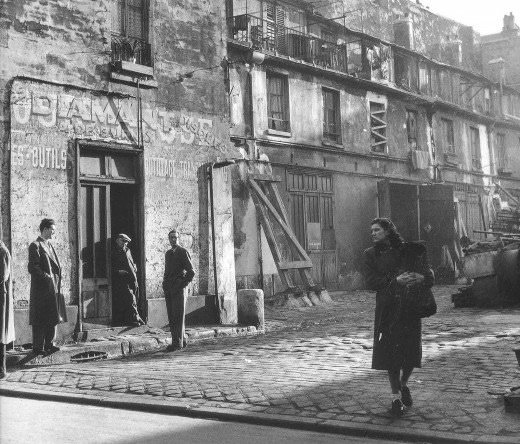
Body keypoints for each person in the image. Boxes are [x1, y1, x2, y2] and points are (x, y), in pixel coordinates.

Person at [362, 218, 434, 416]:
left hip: (410, 307)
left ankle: (403, 384)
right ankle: (395, 398)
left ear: (388, 231)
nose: (373, 233)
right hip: (387, 309)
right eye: (372, 230)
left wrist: (424, 278)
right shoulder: (370, 255)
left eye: (377, 229)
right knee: (391, 355)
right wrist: (395, 281)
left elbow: (428, 272)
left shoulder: (408, 250)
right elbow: (370, 282)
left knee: (411, 353)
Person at [28, 218, 67, 355]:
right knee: (40, 319)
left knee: (52, 317)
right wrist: (47, 277)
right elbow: (33, 267)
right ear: (45, 229)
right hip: (41, 290)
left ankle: (50, 344)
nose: (53, 234)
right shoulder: (35, 245)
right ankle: (38, 347)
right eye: (52, 230)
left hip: (53, 288)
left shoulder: (49, 245)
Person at [162, 229, 194, 352]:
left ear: (179, 239)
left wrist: (182, 283)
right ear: (169, 239)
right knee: (172, 316)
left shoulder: (182, 252)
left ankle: (177, 343)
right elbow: (167, 271)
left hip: (179, 289)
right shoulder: (168, 254)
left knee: (178, 316)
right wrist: (164, 283)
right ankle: (181, 339)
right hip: (169, 288)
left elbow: (191, 272)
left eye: (175, 237)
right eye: (171, 238)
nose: (173, 240)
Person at [112, 233, 144, 327]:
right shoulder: (114, 252)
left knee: (135, 296)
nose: (125, 244)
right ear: (117, 240)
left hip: (132, 277)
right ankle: (135, 318)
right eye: (123, 241)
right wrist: (118, 271)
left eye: (126, 242)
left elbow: (131, 261)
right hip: (122, 279)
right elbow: (109, 266)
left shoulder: (127, 250)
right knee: (131, 298)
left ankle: (134, 318)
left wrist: (134, 266)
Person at [1, 239, 15, 378]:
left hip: (1, 299)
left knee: (1, 335)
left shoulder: (3, 252)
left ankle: (2, 370)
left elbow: (3, 276)